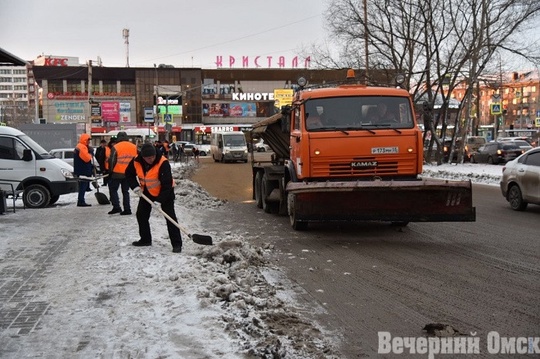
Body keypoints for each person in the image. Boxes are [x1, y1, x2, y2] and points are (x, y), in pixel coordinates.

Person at [126, 143, 183, 253]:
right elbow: (129, 174)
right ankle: (145, 239)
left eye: (152, 157)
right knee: (141, 215)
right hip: (146, 193)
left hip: (165, 194)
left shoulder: (163, 162)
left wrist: (159, 201)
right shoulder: (136, 161)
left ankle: (177, 244)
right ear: (143, 157)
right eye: (148, 158)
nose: (151, 159)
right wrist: (135, 186)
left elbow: (167, 184)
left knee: (170, 218)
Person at [108, 131, 138, 215]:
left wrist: (110, 171)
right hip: (129, 174)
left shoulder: (116, 147)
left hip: (117, 172)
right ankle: (127, 209)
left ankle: (116, 207)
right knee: (125, 191)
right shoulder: (133, 147)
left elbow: (112, 160)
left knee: (113, 189)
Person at [73, 133, 94, 207]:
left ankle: (81, 200)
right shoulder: (82, 147)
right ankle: (81, 201)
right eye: (88, 140)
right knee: (83, 186)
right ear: (85, 140)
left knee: (82, 185)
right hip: (83, 170)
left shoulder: (79, 146)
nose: (89, 142)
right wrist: (90, 153)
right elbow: (86, 158)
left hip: (80, 169)